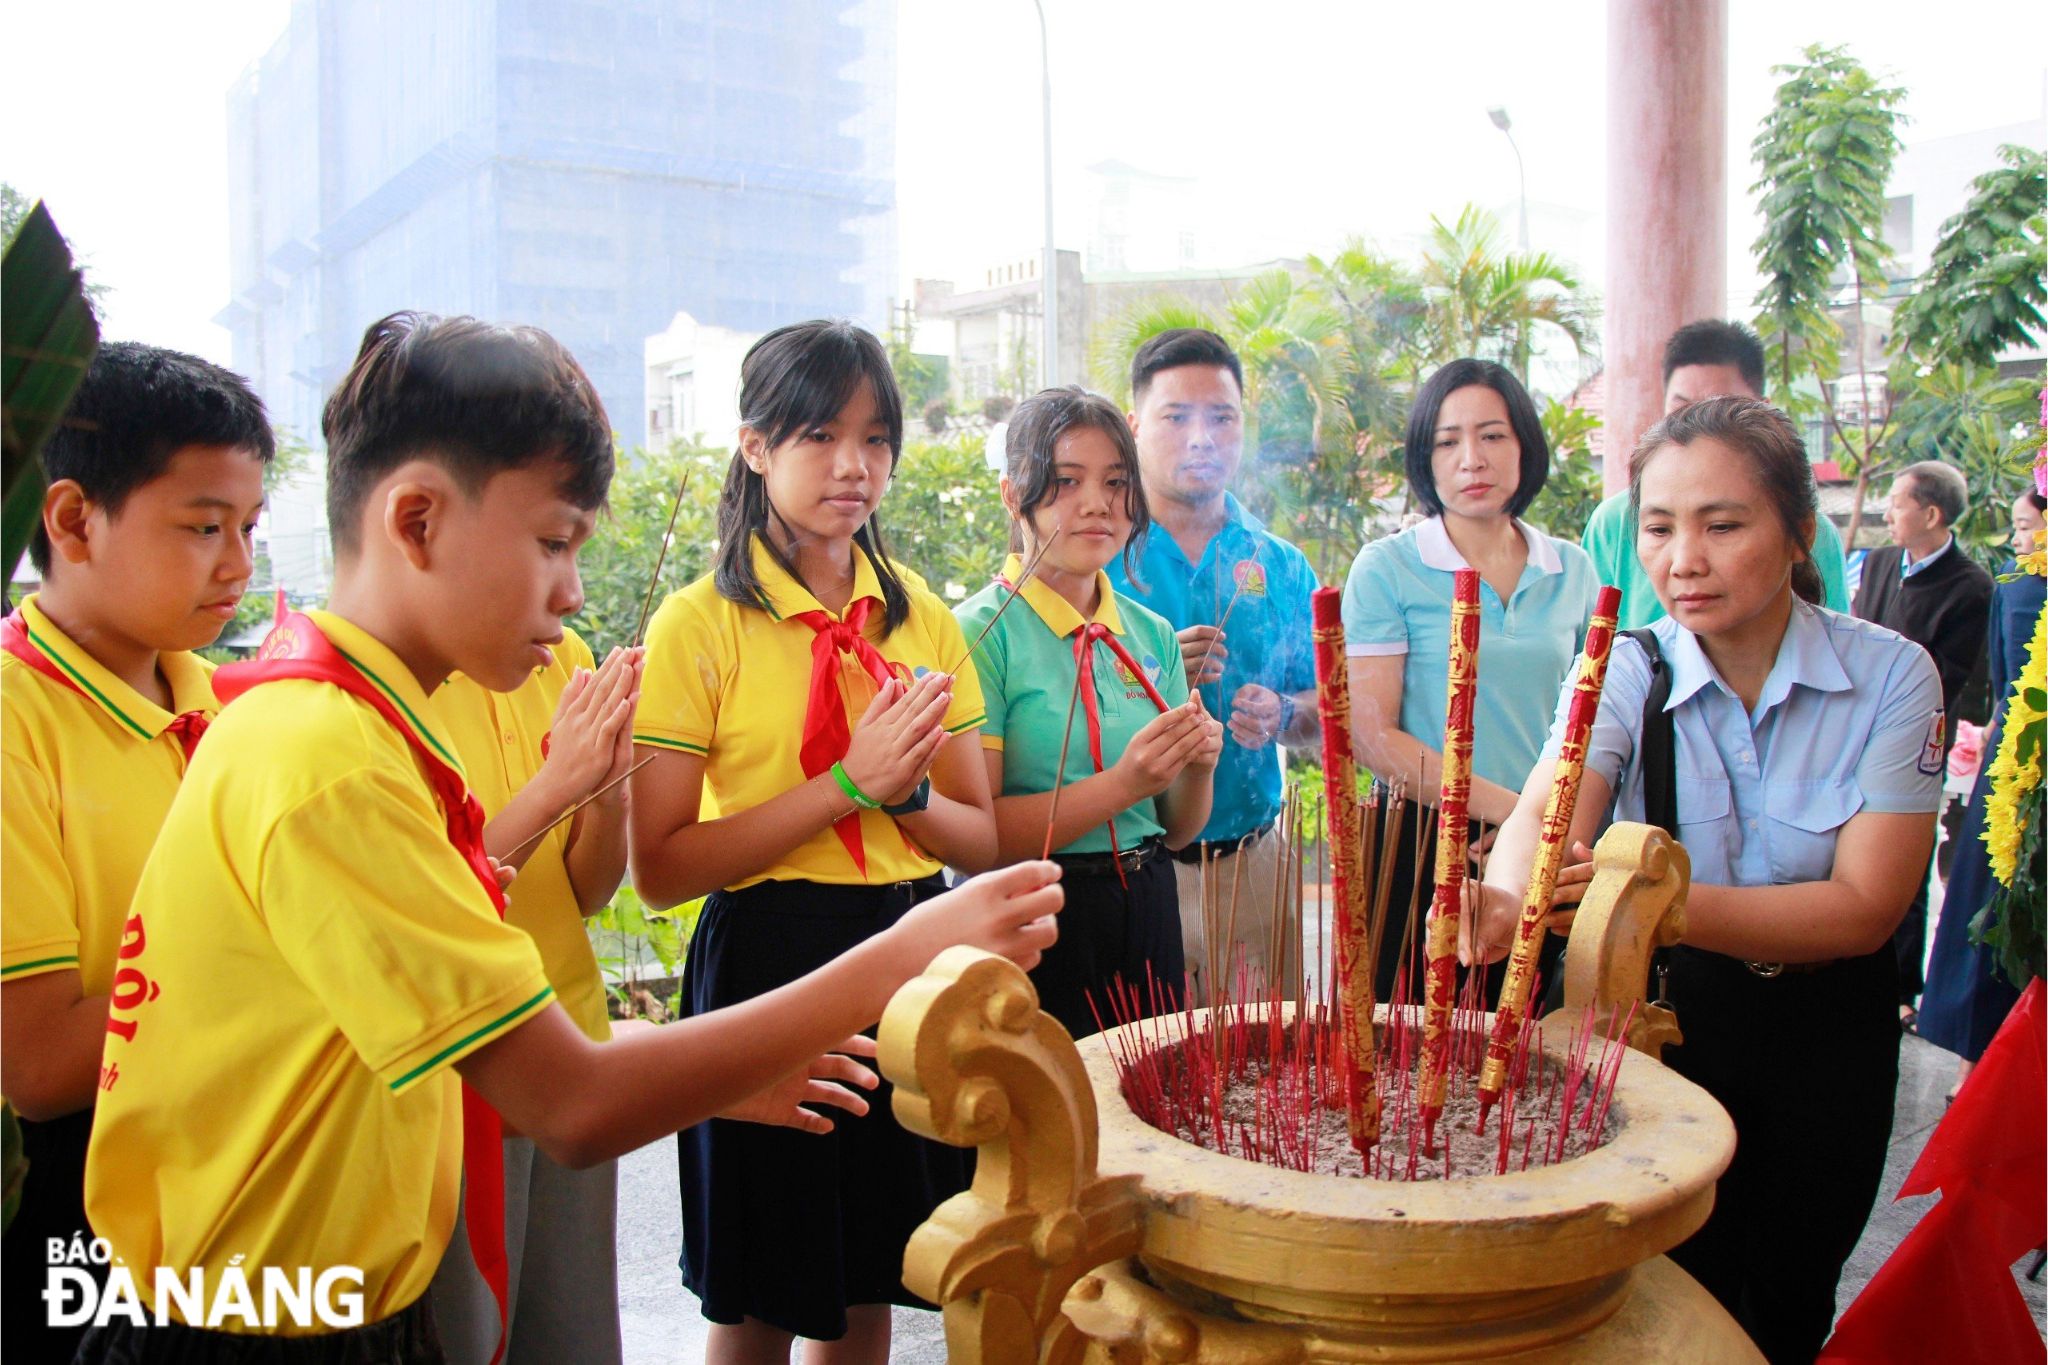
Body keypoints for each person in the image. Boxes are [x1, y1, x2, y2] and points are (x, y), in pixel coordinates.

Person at [77, 313, 1061, 1363]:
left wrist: (719, 1065)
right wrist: (904, 955)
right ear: (414, 521)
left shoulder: (358, 732)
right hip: (258, 1325)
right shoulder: (329, 764)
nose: (573, 592)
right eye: (552, 543)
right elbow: (572, 1102)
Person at [1469, 396, 1943, 1364]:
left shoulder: (1892, 678)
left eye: (1721, 525)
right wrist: (1505, 901)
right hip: (1661, 1021)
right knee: (1647, 1300)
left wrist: (1644, 897)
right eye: (1656, 527)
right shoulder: (1618, 669)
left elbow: (1862, 910)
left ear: (1796, 531)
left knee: (1782, 1301)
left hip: (1824, 1039)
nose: (1681, 559)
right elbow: (1545, 809)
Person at [628, 319, 1012, 1363]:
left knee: (864, 1281)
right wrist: (847, 784)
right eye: (817, 436)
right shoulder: (697, 624)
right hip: (763, 955)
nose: (854, 467)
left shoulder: (920, 615)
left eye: (876, 438)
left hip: (906, 945)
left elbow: (975, 832)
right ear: (755, 447)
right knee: (754, 1294)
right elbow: (658, 869)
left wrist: (896, 799)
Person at [0, 343, 272, 1362]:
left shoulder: (237, 708)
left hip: (237, 1179)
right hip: (74, 1199)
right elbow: (34, 1066)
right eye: (203, 528)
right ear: (72, 520)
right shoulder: (12, 722)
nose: (238, 565)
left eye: (246, 527)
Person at [960, 385, 1222, 1038]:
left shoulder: (1150, 632)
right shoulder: (976, 633)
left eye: (1114, 481)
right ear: (1013, 495)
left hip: (1151, 901)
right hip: (1034, 914)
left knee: (1151, 1112)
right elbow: (979, 836)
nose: (1097, 503)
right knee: (1045, 1123)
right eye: (1066, 481)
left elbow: (1178, 829)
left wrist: (1197, 766)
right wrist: (1125, 782)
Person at [1342, 358, 1599, 1001]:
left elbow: (1591, 724)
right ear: (1424, 460)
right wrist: (1517, 815)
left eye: (1492, 436)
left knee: (1537, 1053)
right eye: (1447, 441)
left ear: (1525, 447)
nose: (1472, 459)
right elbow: (1372, 736)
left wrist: (1547, 830)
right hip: (1425, 842)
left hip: (1546, 851)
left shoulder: (1574, 570)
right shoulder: (1388, 568)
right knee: (1419, 1054)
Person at [426, 633, 642, 1363]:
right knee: (467, 1337)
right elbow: (432, 910)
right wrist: (558, 782)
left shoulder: (556, 653)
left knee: (570, 1337)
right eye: (547, 545)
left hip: (568, 1043)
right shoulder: (374, 695)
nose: (570, 589)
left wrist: (607, 798)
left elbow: (583, 891)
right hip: (454, 1074)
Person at [1109, 329, 1319, 1002]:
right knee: (1144, 1070)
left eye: (1221, 417)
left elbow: (1327, 710)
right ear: (1136, 425)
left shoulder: (1278, 562)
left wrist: (1285, 712)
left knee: (1262, 1075)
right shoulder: (1100, 554)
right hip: (1130, 869)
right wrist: (1159, 673)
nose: (1201, 437)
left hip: (1253, 863)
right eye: (1176, 417)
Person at [1580, 319, 1850, 627]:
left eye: (1723, 527)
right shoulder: (1613, 523)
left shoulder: (1813, 532)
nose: (1684, 565)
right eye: (1659, 530)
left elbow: (1834, 643)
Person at [1851, 460, 1995, 1024]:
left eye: (1898, 502)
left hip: (1915, 743)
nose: (1887, 511)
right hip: (1854, 729)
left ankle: (1899, 987)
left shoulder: (1971, 585)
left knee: (1901, 861)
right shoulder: (1883, 563)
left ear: (1931, 514)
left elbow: (1947, 675)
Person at [1918, 490, 2046, 1096]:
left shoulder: (2016, 588)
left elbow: (1999, 695)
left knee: (1989, 907)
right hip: (2019, 763)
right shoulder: (2014, 587)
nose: (2017, 540)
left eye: (2025, 528)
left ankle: (1975, 1067)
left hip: (2014, 760)